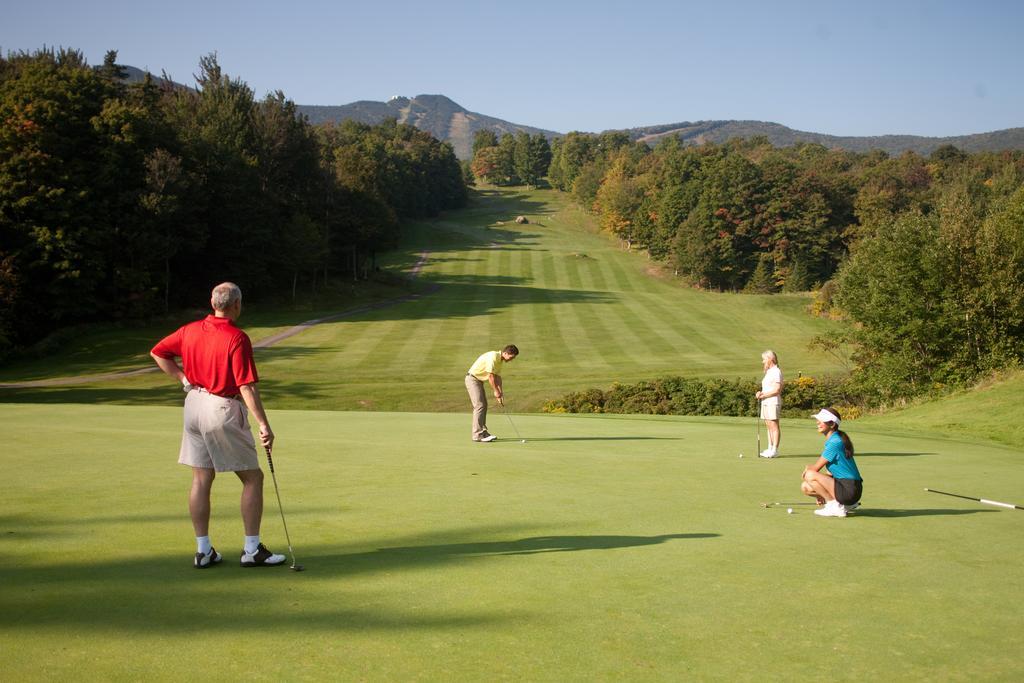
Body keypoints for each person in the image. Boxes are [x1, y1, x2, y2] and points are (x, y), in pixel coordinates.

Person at [150, 282, 286, 568]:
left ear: (213, 303)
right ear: (236, 304)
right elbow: (246, 386)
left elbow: (158, 353)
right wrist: (264, 424)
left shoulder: (189, 330)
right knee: (253, 478)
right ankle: (251, 549)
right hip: (221, 409)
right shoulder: (237, 337)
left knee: (201, 479)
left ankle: (204, 551)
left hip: (194, 405)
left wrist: (184, 379)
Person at [802, 408, 864, 518]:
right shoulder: (836, 439)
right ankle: (843, 505)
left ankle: (834, 506)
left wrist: (808, 469)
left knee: (809, 474)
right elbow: (829, 474)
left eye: (822, 420)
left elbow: (815, 469)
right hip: (848, 487)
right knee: (806, 487)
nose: (818, 422)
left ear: (832, 424)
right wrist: (820, 492)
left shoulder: (835, 442)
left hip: (849, 489)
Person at [465, 345, 519, 442]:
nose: (511, 360)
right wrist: (496, 391)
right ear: (505, 353)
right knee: (479, 405)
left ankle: (483, 432)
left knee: (484, 405)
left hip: (478, 381)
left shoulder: (500, 361)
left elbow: (498, 377)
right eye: (511, 357)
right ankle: (477, 435)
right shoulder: (493, 357)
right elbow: (491, 377)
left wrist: (500, 392)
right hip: (472, 379)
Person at [755, 350, 783, 458]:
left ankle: (775, 450)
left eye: (764, 359)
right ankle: (770, 448)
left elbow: (777, 390)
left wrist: (764, 395)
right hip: (766, 401)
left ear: (770, 359)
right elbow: (767, 388)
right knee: (768, 425)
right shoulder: (769, 372)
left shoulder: (776, 371)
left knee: (774, 425)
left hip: (773, 401)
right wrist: (760, 393)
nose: (763, 361)